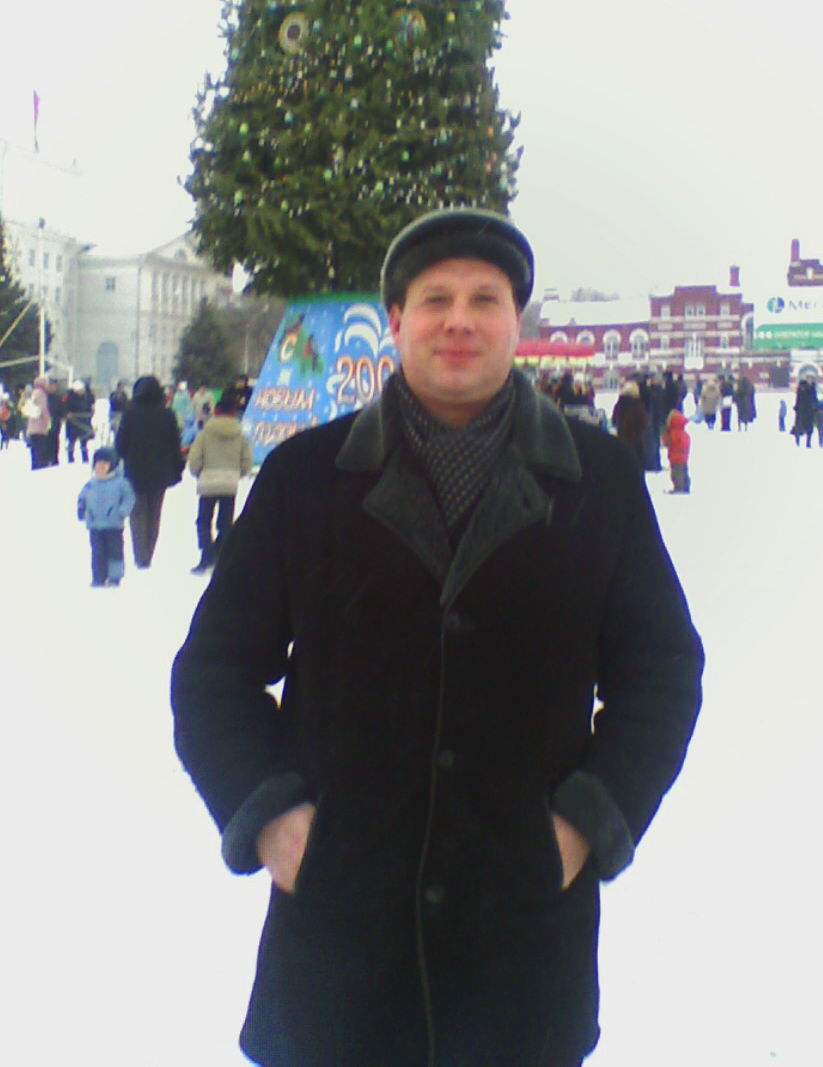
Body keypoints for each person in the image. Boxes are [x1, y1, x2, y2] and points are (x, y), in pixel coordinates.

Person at [171, 207, 704, 1067]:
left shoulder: (597, 478)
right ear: (396, 321)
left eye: (484, 299)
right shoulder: (308, 476)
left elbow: (661, 676)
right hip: (341, 946)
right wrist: (267, 815)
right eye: (435, 299)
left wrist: (585, 825)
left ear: (515, 321)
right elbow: (213, 675)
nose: (459, 319)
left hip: (521, 948)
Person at [115, 374, 184, 569]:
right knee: (154, 514)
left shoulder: (130, 414)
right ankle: (149, 554)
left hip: (135, 472)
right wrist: (177, 467)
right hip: (161, 472)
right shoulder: (168, 415)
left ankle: (140, 555)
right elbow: (175, 444)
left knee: (137, 513)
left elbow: (120, 446)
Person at [187, 387, 253, 574]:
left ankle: (206, 557)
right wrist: (237, 474)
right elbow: (247, 461)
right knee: (225, 523)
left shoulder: (205, 433)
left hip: (208, 481)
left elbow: (195, 458)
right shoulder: (240, 435)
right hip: (229, 483)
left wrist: (199, 473)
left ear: (216, 412)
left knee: (203, 521)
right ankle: (222, 557)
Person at [76, 446, 136, 587]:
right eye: (98, 464)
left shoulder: (121, 483)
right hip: (95, 524)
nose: (101, 467)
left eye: (105, 464)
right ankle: (98, 577)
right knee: (97, 552)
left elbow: (129, 498)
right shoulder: (90, 484)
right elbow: (82, 498)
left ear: (112, 465)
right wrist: (81, 509)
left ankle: (115, 576)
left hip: (113, 524)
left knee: (114, 551)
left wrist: (122, 511)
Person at [24, 376, 52, 471]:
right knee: (40, 448)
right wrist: (48, 420)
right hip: (40, 426)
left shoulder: (33, 393)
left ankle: (35, 465)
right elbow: (44, 408)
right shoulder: (41, 394)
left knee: (34, 449)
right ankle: (40, 466)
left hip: (32, 426)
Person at [661, 407, 691, 493]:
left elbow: (667, 442)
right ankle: (685, 485)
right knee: (683, 472)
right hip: (683, 458)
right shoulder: (684, 433)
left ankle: (679, 488)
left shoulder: (674, 433)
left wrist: (664, 433)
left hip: (675, 457)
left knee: (676, 474)